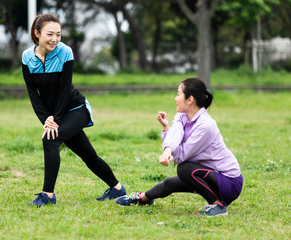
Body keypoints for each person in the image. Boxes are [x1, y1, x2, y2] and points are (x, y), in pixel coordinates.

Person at [21, 13, 126, 207]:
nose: (55, 39)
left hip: (75, 109)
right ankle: (117, 189)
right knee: (88, 156)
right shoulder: (27, 57)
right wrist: (46, 119)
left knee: (50, 138)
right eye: (50, 34)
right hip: (54, 114)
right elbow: (33, 94)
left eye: (58, 34)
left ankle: (48, 195)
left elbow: (63, 90)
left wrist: (56, 119)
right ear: (37, 34)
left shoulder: (65, 52)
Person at [116, 78, 243, 217]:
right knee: (170, 183)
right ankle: (143, 198)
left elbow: (181, 156)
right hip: (209, 174)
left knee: (184, 169)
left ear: (190, 100)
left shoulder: (206, 125)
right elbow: (176, 133)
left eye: (178, 94)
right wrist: (166, 132)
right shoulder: (182, 116)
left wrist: (169, 153)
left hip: (229, 182)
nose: (175, 98)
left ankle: (217, 205)